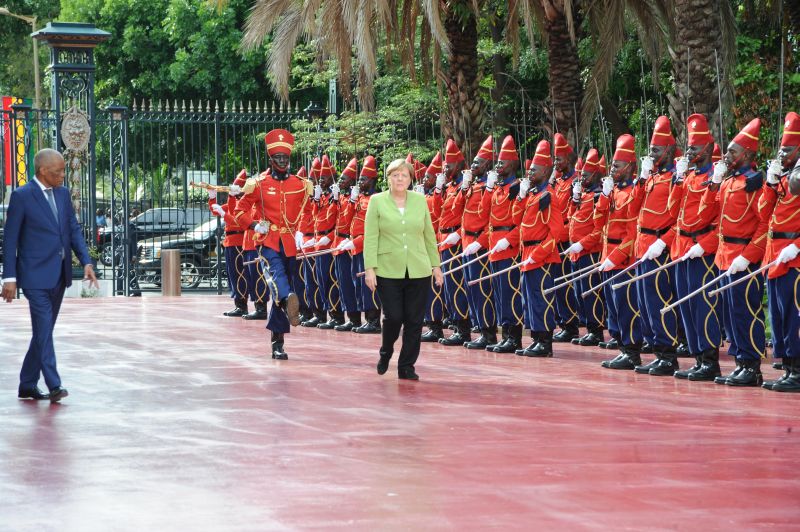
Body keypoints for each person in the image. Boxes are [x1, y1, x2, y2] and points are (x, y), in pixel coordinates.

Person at [1, 148, 99, 402]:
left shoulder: (63, 194)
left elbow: (73, 229)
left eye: (64, 170)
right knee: (44, 329)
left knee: (43, 331)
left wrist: (86, 262)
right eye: (59, 171)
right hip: (34, 276)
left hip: (59, 275)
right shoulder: (22, 196)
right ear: (43, 170)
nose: (63, 176)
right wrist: (8, 277)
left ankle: (27, 384)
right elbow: (10, 239)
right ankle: (54, 384)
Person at [701, 118, 769, 387]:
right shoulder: (729, 181)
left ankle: (752, 366)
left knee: (746, 312)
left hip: (743, 256)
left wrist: (749, 255)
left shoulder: (754, 183)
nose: (726, 156)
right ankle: (740, 361)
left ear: (747, 155)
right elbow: (709, 212)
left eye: (732, 152)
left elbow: (764, 223)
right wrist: (714, 183)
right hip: (725, 254)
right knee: (730, 313)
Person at [363, 159, 443, 380]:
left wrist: (436, 265)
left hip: (418, 268)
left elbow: (429, 235)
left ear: (410, 179)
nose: (400, 179)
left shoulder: (419, 200)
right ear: (388, 178)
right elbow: (371, 237)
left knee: (414, 320)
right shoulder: (377, 201)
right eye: (395, 175)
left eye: (404, 175)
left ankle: (406, 365)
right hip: (387, 268)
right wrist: (370, 268)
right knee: (393, 317)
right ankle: (386, 350)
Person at [233, 128, 305, 360]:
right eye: (278, 157)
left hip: (290, 243)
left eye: (285, 157)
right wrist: (254, 225)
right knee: (277, 279)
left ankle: (277, 342)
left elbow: (308, 209)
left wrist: (302, 231)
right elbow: (239, 210)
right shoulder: (258, 184)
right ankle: (288, 301)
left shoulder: (300, 184)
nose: (282, 161)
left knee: (280, 293)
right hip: (268, 242)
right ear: (271, 159)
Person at [668, 114, 723, 381]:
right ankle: (698, 358)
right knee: (688, 308)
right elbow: (672, 210)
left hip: (702, 249)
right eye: (688, 147)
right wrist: (677, 180)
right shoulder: (689, 177)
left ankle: (710, 361)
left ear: (708, 148)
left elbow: (714, 218)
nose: (689, 152)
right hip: (683, 248)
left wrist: (704, 245)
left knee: (704, 307)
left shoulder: (715, 177)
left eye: (695, 147)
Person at [629, 116, 681, 376]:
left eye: (656, 150)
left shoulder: (674, 178)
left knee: (660, 301)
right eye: (650, 150)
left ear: (669, 150)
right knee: (645, 303)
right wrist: (641, 178)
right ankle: (657, 351)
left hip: (660, 246)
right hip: (643, 246)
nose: (652, 155)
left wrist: (663, 242)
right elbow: (632, 208)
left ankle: (668, 355)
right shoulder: (651, 177)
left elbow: (679, 217)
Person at [758, 111, 800, 392]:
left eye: (787, 149)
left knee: (794, 316)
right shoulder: (784, 178)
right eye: (781, 149)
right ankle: (787, 367)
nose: (782, 153)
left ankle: (797, 370)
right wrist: (771, 184)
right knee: (779, 314)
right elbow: (763, 214)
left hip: (794, 256)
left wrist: (796, 246)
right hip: (775, 255)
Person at [480, 135, 524, 353]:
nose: (498, 166)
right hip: (494, 247)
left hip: (508, 248)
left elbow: (521, 222)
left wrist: (509, 240)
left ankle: (514, 338)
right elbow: (483, 214)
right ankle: (505, 335)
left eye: (502, 162)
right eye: (497, 162)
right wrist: (488, 190)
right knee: (498, 294)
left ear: (513, 164)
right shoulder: (498, 189)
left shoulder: (516, 188)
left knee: (510, 294)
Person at [458, 135, 498, 349]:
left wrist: (481, 241)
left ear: (487, 165)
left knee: (482, 291)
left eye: (477, 163)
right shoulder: (473, 186)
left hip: (479, 243)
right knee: (471, 290)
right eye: (472, 162)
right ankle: (480, 329)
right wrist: (464, 187)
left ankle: (489, 333)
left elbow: (490, 218)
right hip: (467, 241)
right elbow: (456, 210)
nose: (473, 166)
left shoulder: (490, 188)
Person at [209, 170, 251, 316]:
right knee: (233, 274)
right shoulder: (233, 202)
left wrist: (224, 214)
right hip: (230, 242)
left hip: (239, 242)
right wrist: (212, 197)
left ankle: (242, 306)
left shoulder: (246, 205)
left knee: (239, 274)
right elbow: (215, 211)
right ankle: (238, 304)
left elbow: (238, 221)